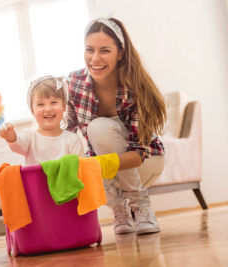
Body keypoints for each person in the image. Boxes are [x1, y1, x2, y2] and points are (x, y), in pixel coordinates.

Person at [67, 17, 166, 235]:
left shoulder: (136, 88)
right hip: (108, 164)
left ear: (120, 53)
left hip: (145, 162)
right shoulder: (74, 83)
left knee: (98, 128)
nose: (95, 58)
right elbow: (65, 133)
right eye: (89, 49)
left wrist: (98, 165)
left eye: (105, 51)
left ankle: (142, 207)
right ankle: (119, 209)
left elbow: (139, 154)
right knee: (79, 161)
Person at [0, 75, 84, 165]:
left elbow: (79, 170)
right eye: (40, 104)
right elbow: (18, 144)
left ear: (63, 106)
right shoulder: (29, 136)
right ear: (32, 110)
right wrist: (11, 136)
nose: (48, 109)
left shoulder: (72, 140)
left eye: (53, 102)